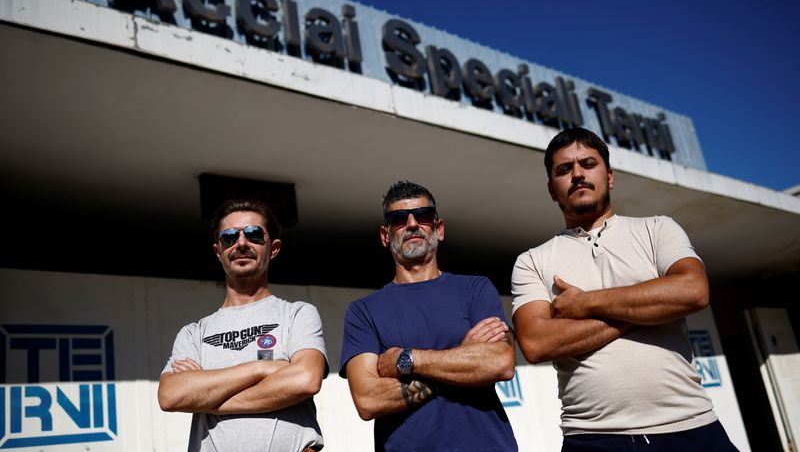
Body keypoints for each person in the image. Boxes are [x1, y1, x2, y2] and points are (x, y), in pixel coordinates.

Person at [512, 127, 738, 451]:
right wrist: (652, 307)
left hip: (691, 426)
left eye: (588, 164)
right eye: (564, 169)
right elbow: (535, 343)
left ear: (610, 176)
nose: (577, 174)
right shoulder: (532, 261)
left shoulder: (657, 229)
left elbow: (693, 291)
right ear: (551, 189)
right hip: (592, 437)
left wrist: (587, 303)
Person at [340, 181, 518, 452]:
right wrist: (463, 357)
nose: (412, 224)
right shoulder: (363, 311)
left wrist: (408, 359)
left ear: (439, 228)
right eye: (399, 219)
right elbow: (368, 400)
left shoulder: (475, 289)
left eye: (423, 216)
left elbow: (501, 362)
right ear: (385, 235)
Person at [158, 198, 328, 452]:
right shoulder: (194, 333)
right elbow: (170, 395)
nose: (241, 243)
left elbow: (306, 380)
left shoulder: (297, 314)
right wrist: (259, 368)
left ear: (274, 248)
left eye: (254, 234)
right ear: (218, 251)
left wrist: (205, 397)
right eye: (229, 237)